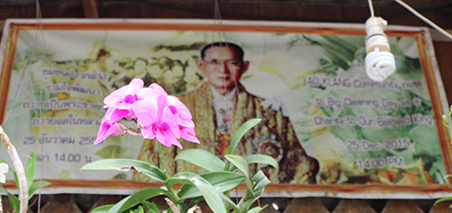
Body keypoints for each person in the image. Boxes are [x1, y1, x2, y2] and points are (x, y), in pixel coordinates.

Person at [137, 42, 319, 184]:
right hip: (192, 200)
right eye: (214, 63)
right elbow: (150, 161)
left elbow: (298, 164)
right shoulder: (173, 107)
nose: (223, 70)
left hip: (252, 204)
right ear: (201, 66)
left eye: (231, 63)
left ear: (244, 66)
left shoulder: (268, 111)